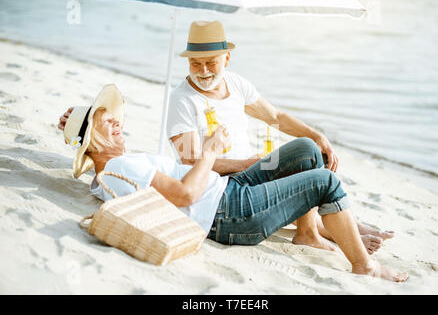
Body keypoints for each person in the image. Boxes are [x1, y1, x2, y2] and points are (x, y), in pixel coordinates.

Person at [58, 20, 395, 254]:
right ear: (188, 61)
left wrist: (318, 134)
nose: (204, 71)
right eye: (197, 64)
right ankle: (333, 226)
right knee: (303, 174)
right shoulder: (182, 100)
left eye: (211, 63)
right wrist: (247, 162)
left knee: (307, 149)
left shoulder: (235, 83)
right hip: (219, 179)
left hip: (245, 173)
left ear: (227, 58)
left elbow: (276, 117)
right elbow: (191, 160)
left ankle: (310, 232)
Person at [61, 84, 408, 282]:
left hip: (227, 192)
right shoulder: (120, 166)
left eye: (114, 119)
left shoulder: (110, 173)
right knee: (325, 182)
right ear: (92, 142)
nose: (119, 124)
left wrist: (239, 163)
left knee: (304, 149)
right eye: (107, 124)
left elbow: (182, 186)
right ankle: (365, 266)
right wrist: (210, 150)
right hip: (228, 214)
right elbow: (185, 195)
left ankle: (309, 232)